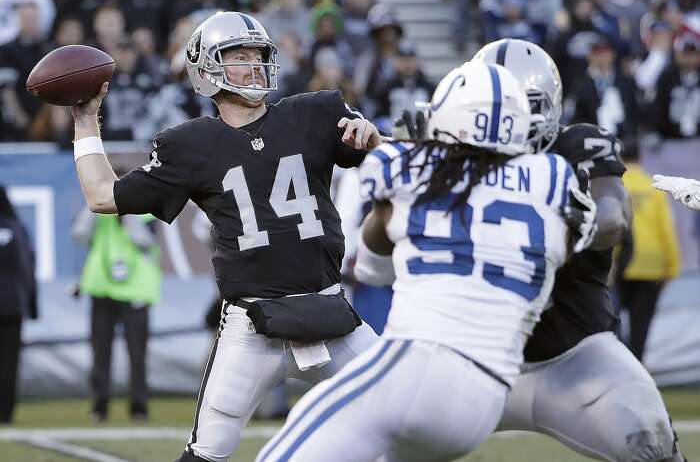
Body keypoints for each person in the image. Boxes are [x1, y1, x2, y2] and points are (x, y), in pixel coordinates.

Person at [68, 11, 382, 462]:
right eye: (238, 55)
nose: (254, 64)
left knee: (415, 422)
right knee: (206, 453)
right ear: (207, 69)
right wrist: (85, 122)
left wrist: (373, 138)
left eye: (259, 53)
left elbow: (391, 149)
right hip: (253, 326)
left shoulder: (317, 111)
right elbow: (102, 196)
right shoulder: (188, 144)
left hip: (330, 310)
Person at [256, 61, 589, 462]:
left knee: (292, 443)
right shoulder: (555, 177)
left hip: (420, 366)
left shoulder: (405, 165)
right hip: (488, 396)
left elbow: (371, 268)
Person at [473, 38, 687, 462]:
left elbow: (613, 215)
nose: (508, 116)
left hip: (579, 355)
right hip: (478, 358)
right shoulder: (452, 157)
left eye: (520, 104)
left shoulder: (578, 145)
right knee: (378, 433)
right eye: (497, 103)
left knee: (652, 441)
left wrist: (574, 230)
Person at [71, 200, 161, 422]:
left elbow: (145, 241)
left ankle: (139, 406)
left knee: (137, 354)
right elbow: (79, 235)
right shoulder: (98, 214)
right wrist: (94, 204)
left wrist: (127, 210)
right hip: (102, 292)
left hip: (136, 294)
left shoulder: (146, 212)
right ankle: (99, 405)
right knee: (100, 353)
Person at [618, 141, 681, 361]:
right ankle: (637, 375)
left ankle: (613, 374)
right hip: (651, 266)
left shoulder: (616, 185)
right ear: (641, 159)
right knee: (640, 330)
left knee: (610, 327)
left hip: (617, 266)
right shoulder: (653, 188)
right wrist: (671, 269)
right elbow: (667, 229)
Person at [0, 185, 37, 423]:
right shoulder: (16, 227)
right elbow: (27, 269)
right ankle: (5, 411)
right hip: (12, 306)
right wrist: (32, 305)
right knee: (9, 362)